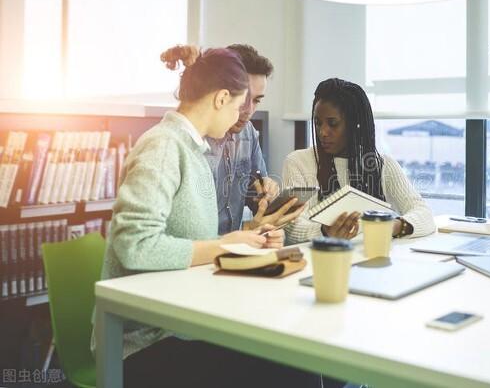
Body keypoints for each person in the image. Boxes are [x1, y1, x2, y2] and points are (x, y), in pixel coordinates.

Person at [94, 45, 320, 387]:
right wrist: (223, 246)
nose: (240, 118)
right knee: (291, 369)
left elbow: (191, 242)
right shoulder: (163, 147)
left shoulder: (193, 151)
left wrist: (246, 239)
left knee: (296, 359)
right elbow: (135, 247)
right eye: (237, 105)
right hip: (144, 341)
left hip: (184, 322)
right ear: (221, 98)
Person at [282, 78, 437, 244]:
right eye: (318, 123)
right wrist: (325, 231)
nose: (323, 132)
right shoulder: (298, 162)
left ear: (355, 125)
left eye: (333, 124)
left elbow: (424, 214)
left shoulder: (381, 165)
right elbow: (292, 227)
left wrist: (391, 226)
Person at [203, 44, 304, 235]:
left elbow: (257, 199)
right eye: (243, 97)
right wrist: (248, 230)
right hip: (203, 255)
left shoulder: (247, 132)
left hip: (237, 250)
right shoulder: (193, 142)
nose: (249, 110)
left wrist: (264, 195)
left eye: (257, 100)